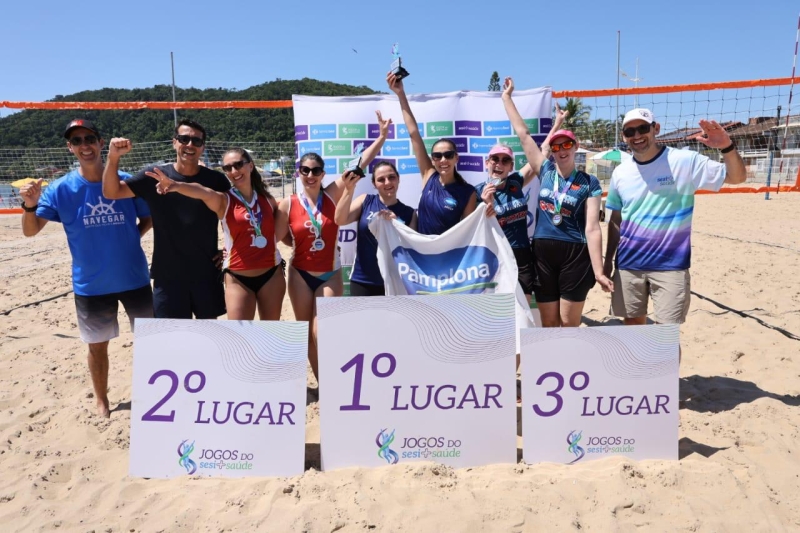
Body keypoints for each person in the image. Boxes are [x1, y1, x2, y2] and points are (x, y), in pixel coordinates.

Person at [19, 119, 153, 417]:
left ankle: (154, 396)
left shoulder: (126, 181)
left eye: (89, 138)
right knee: (97, 346)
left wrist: (133, 236)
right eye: (77, 141)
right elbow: (30, 230)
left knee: (150, 341)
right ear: (70, 148)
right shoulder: (60, 189)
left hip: (134, 277)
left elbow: (149, 216)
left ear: (101, 143)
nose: (84, 145)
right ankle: (102, 400)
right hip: (91, 284)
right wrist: (29, 204)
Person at [604, 108, 746, 326]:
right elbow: (615, 221)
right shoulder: (620, 172)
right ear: (624, 137)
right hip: (629, 264)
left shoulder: (684, 161)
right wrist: (608, 262)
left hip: (670, 265)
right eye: (629, 131)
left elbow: (737, 177)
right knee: (632, 332)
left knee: (665, 338)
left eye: (642, 128)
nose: (637, 135)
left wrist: (726, 146)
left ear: (656, 129)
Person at [275, 118, 386, 382]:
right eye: (305, 170)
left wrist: (381, 137)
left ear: (323, 174)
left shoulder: (333, 194)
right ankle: (323, 384)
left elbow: (359, 164)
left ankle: (333, 379)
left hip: (330, 273)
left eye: (316, 170)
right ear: (298, 173)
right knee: (305, 333)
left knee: (321, 331)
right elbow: (276, 238)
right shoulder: (288, 204)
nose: (310, 175)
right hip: (300, 274)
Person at [502, 77, 612, 327]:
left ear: (575, 147)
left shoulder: (590, 182)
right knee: (549, 324)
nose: (562, 150)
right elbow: (523, 135)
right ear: (551, 150)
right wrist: (507, 98)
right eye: (556, 146)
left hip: (575, 254)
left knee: (569, 324)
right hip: (543, 254)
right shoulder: (545, 170)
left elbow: (593, 228)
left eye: (567, 145)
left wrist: (598, 271)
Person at [102, 119, 231, 319]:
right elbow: (111, 192)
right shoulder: (154, 175)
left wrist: (229, 250)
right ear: (174, 142)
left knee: (207, 334)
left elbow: (233, 218)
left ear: (203, 147)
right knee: (171, 336)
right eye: (184, 139)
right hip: (168, 276)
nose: (190, 145)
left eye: (196, 141)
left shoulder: (216, 180)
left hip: (206, 273)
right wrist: (113, 157)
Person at [148, 147, 285, 320]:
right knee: (239, 334)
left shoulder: (268, 199)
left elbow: (278, 233)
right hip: (238, 277)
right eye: (227, 168)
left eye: (238, 165)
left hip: (271, 274)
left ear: (250, 166)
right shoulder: (224, 200)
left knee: (271, 331)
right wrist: (176, 185)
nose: (234, 171)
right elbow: (203, 192)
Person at [477, 100, 569, 303]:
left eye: (505, 160)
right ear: (487, 163)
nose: (499, 164)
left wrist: (557, 124)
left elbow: (543, 152)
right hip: (495, 255)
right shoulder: (477, 193)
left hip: (522, 254)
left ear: (511, 166)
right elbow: (470, 229)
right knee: (499, 308)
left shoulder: (516, 182)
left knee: (523, 305)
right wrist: (483, 206)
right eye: (495, 159)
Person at [387, 72, 477, 235]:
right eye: (437, 156)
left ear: (456, 158)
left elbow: (467, 233)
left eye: (448, 155)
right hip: (420, 249)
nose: (443, 160)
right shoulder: (429, 175)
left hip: (450, 250)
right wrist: (400, 94)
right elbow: (413, 133)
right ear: (433, 160)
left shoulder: (468, 192)